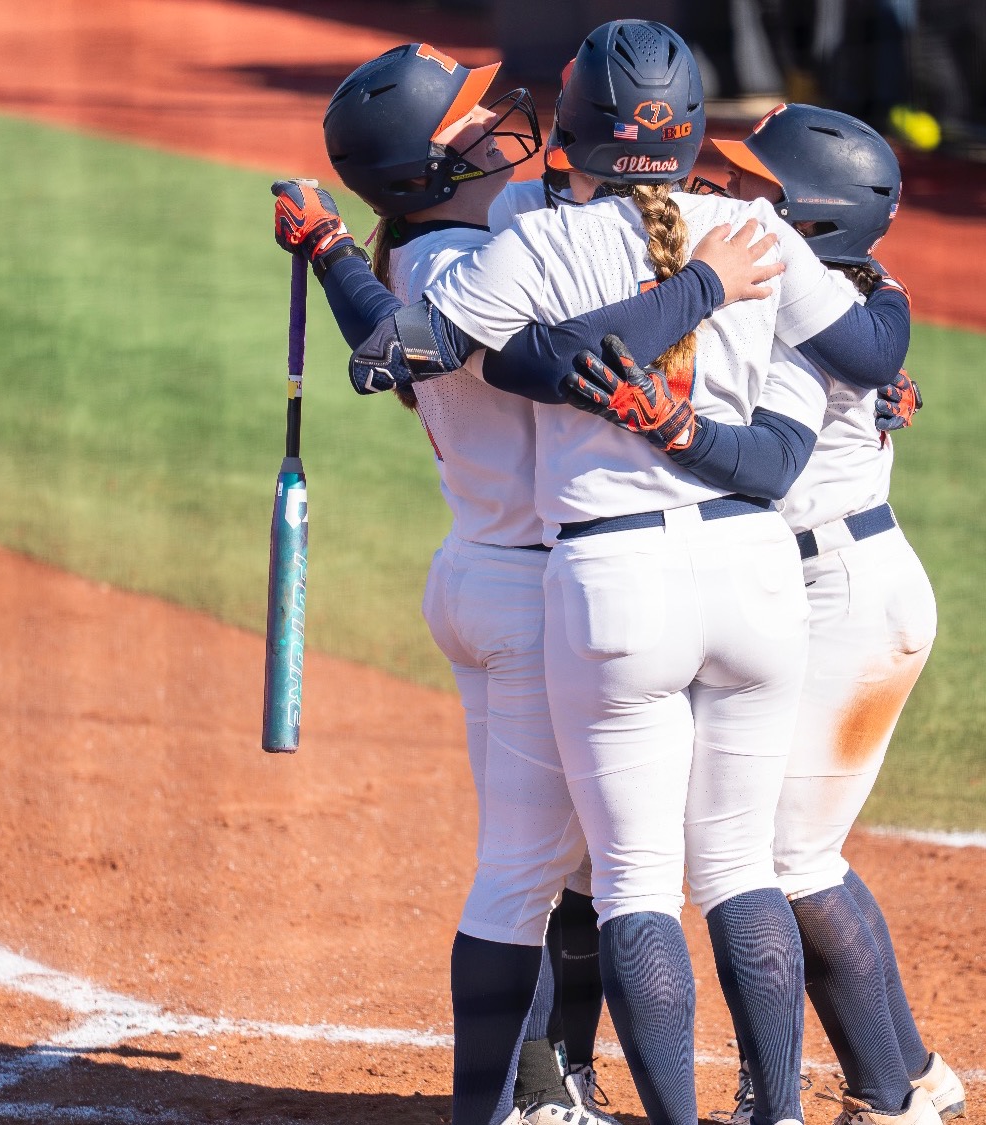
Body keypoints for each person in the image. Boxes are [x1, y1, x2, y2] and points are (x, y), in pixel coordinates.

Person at [278, 41, 785, 1125]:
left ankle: (543, 1088)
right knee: (561, 871)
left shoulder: (438, 247)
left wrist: (327, 245)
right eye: (468, 123)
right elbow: (464, 344)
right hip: (538, 588)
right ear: (425, 169)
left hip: (485, 571)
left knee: (578, 871)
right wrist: (703, 281)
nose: (497, 118)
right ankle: (514, 1101)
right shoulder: (473, 266)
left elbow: (384, 323)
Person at [709, 104, 964, 1125]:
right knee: (787, 852)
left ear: (805, 216)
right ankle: (913, 1075)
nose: (723, 192)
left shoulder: (839, 307)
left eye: (749, 184)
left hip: (848, 597)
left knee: (782, 859)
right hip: (812, 587)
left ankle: (888, 1097)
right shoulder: (804, 293)